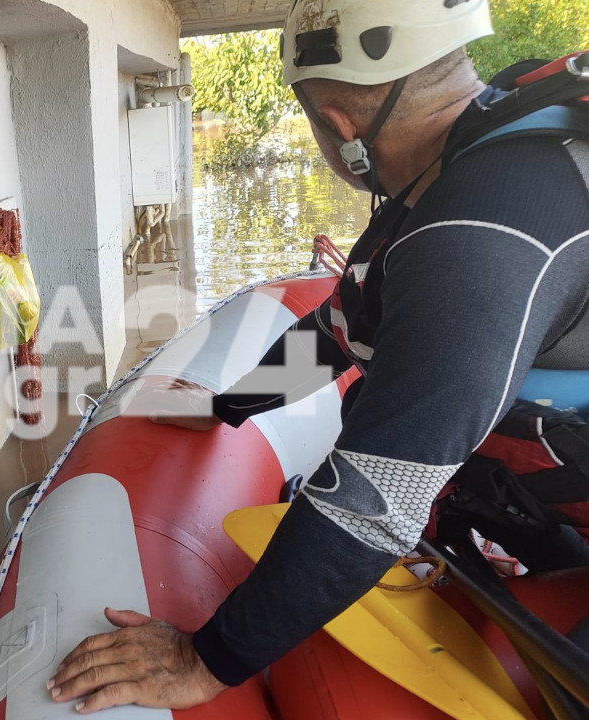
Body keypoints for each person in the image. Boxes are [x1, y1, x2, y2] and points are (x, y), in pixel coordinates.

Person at [46, 0, 589, 713]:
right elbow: (347, 326)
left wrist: (203, 659)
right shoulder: (469, 157)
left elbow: (379, 497)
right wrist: (231, 406)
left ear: (338, 126)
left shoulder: (477, 235)